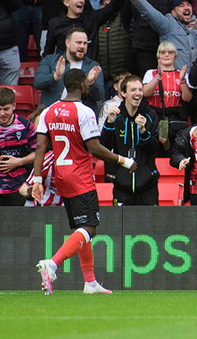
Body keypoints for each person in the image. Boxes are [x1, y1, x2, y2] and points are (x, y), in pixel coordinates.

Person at [33, 69, 138, 295]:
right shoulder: (84, 111)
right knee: (90, 227)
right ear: (81, 85)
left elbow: (41, 147)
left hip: (61, 175)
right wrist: (123, 161)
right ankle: (53, 263)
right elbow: (94, 148)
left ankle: (90, 282)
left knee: (82, 227)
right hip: (80, 175)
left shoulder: (48, 111)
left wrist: (38, 179)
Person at [101, 75, 160, 205]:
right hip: (121, 184)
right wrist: (109, 123)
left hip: (147, 185)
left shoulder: (150, 115)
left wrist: (143, 131)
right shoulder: (115, 116)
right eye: (133, 90)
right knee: (121, 225)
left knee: (150, 224)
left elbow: (155, 149)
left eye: (140, 89)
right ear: (123, 93)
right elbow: (104, 147)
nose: (138, 93)